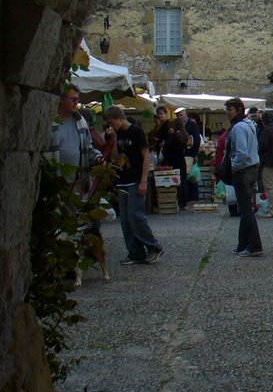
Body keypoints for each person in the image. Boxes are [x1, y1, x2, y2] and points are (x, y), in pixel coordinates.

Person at [103, 106, 164, 265]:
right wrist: (114, 140)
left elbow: (145, 157)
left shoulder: (136, 132)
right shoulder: (119, 134)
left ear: (118, 118)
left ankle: (154, 246)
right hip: (123, 180)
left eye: (111, 123)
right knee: (125, 219)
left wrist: (143, 180)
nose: (111, 126)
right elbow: (115, 158)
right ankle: (135, 252)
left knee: (135, 216)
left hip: (136, 179)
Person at [225, 98, 263, 257]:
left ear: (239, 110)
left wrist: (233, 167)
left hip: (243, 170)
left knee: (246, 210)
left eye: (230, 109)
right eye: (227, 109)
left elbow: (241, 152)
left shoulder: (239, 127)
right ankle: (242, 244)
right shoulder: (249, 124)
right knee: (244, 207)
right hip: (252, 168)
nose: (227, 112)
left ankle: (254, 245)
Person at [49, 83, 101, 196]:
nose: (76, 103)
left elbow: (88, 148)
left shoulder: (80, 122)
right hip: (54, 181)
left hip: (77, 182)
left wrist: (97, 157)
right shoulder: (50, 121)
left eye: (77, 100)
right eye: (73, 99)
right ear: (62, 100)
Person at [160, 118, 190, 209]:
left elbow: (167, 149)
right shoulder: (184, 135)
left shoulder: (174, 136)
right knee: (183, 180)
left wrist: (163, 146)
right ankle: (184, 203)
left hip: (173, 160)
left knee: (175, 180)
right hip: (181, 160)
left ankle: (177, 201)